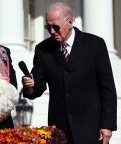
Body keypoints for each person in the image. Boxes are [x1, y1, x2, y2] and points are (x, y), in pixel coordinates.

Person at [21, 2, 117, 144]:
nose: (52, 31)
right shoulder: (42, 50)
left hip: (91, 129)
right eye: (48, 27)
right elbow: (38, 86)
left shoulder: (95, 44)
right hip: (59, 131)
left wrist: (107, 125)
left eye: (56, 27)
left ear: (70, 22)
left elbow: (107, 88)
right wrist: (30, 86)